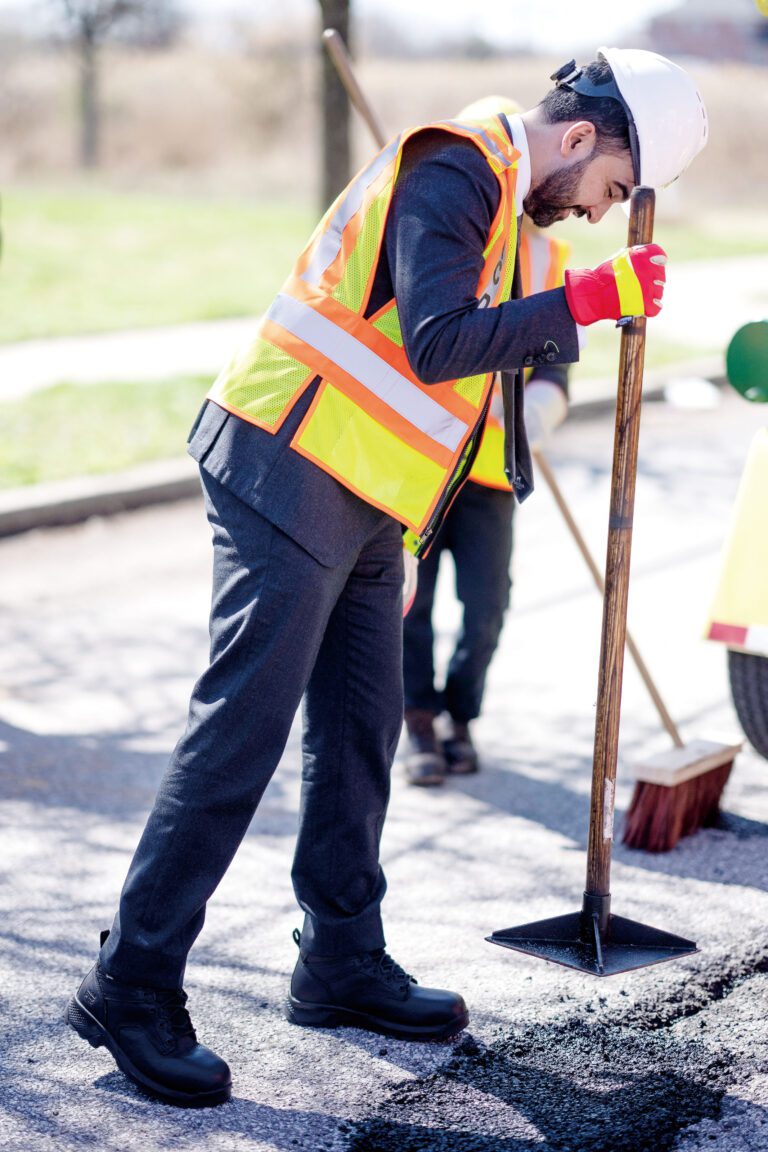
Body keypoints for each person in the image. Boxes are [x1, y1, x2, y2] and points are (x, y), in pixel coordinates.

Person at [66, 47, 707, 1107]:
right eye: (611, 191)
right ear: (585, 137)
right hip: (286, 457)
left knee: (363, 729)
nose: (602, 213)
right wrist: (588, 302)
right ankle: (128, 982)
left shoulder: (513, 217)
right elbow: (438, 342)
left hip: (367, 498)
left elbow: (450, 402)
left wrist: (404, 532)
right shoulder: (455, 167)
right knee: (241, 733)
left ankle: (341, 959)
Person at [403, 94, 571, 785]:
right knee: (410, 600)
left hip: (493, 470)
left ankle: (460, 713)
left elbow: (556, 369)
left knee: (486, 606)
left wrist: (529, 416)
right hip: (423, 459)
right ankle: (417, 722)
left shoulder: (548, 256)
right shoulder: (453, 228)